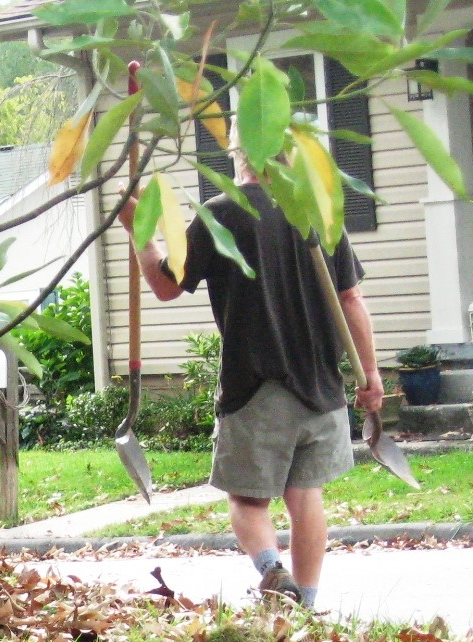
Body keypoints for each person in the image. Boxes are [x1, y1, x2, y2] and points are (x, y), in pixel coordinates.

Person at [119, 141, 384, 608]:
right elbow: (350, 300)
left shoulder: (222, 214)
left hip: (255, 387)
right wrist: (371, 376)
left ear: (238, 153)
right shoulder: (318, 212)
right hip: (321, 388)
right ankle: (305, 605)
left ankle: (271, 570)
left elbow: (164, 285)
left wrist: (138, 231)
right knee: (306, 498)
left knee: (246, 501)